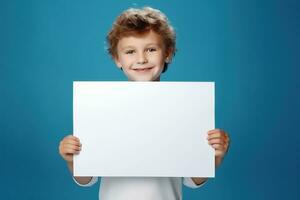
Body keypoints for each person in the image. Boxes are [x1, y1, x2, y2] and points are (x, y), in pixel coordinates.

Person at [59, 6, 230, 200]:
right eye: (130, 51)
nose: (141, 59)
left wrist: (214, 156)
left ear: (168, 53)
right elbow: (86, 179)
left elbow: (192, 180)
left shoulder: (182, 109)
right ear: (117, 59)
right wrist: (73, 160)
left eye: (150, 49)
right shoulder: (103, 108)